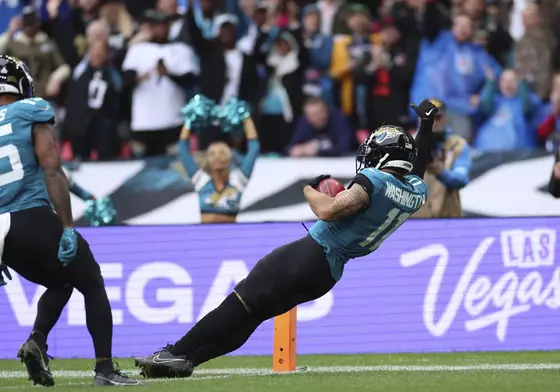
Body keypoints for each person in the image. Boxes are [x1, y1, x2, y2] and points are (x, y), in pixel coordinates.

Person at [133, 99, 438, 378]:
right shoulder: (415, 191)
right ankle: (187, 361)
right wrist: (425, 126)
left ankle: (173, 353)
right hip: (328, 274)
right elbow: (419, 168)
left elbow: (329, 211)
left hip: (310, 254)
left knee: (239, 305)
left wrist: (309, 188)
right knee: (251, 317)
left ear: (384, 153)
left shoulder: (374, 180)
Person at [0, 55, 139, 387]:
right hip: (34, 217)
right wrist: (68, 226)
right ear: (19, 81)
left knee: (60, 282)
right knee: (92, 281)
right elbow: (52, 169)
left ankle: (36, 341)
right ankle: (105, 369)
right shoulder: (30, 111)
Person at [177, 116, 260, 224]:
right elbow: (183, 149)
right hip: (205, 236)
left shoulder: (238, 180)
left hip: (230, 236)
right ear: (208, 159)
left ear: (229, 158)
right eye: (212, 154)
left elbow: (254, 148)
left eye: (222, 153)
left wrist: (246, 117)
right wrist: (189, 119)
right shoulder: (201, 181)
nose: (217, 157)